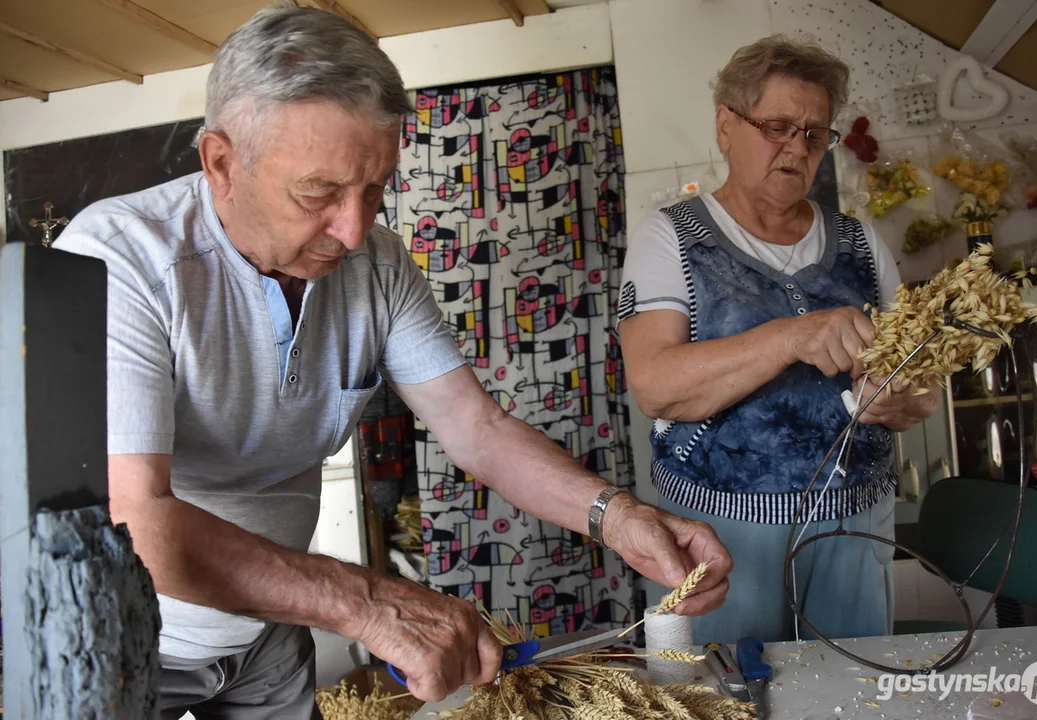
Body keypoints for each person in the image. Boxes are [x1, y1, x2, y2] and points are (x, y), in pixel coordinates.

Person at [53, 7, 733, 718]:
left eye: (373, 188)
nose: (352, 230)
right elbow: (135, 522)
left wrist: (615, 515)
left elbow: (477, 429)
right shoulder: (118, 259)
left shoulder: (375, 262)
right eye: (318, 193)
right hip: (134, 640)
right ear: (222, 164)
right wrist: (371, 603)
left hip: (267, 633)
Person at [617, 35, 940, 647]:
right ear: (725, 125)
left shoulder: (862, 243)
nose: (798, 147)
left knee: (856, 694)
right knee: (732, 698)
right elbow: (656, 387)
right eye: (778, 126)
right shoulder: (671, 239)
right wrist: (794, 336)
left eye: (815, 134)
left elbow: (923, 384)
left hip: (854, 522)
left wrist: (904, 398)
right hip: (722, 532)